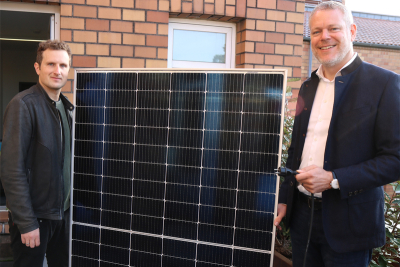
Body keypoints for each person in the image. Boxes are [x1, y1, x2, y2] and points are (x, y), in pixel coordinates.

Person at [274, 1, 400, 266]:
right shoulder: (308, 86)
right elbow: (296, 150)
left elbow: (395, 159)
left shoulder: (385, 84)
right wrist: (285, 199)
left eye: (333, 28)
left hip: (350, 226)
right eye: (317, 31)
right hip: (301, 220)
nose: (324, 37)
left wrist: (333, 179)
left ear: (352, 31)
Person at [1, 40, 73, 267]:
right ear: (37, 67)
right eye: (50, 64)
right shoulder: (23, 104)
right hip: (35, 218)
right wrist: (26, 222)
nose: (57, 70)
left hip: (62, 217)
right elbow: (12, 170)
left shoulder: (68, 109)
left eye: (63, 65)